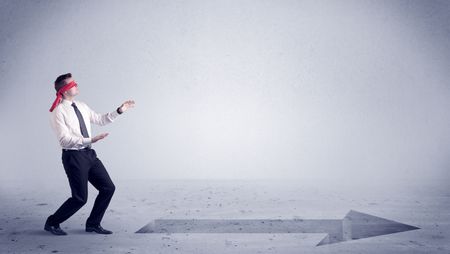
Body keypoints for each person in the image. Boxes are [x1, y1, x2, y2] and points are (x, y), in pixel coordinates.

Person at [45, 73, 135, 235]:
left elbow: (100, 120)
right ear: (65, 91)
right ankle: (52, 222)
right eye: (72, 84)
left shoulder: (82, 106)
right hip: (73, 157)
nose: (76, 85)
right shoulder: (58, 112)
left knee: (108, 188)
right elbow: (64, 140)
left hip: (89, 155)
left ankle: (93, 224)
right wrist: (90, 139)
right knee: (80, 198)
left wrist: (120, 110)